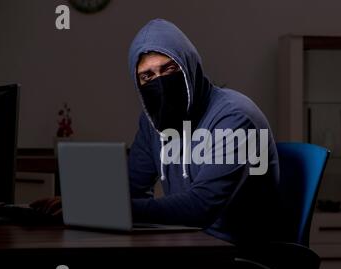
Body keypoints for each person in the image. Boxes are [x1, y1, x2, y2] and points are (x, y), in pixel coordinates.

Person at [32, 19, 280, 245]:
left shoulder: (235, 117)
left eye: (169, 69)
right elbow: (131, 188)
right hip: (194, 245)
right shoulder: (154, 122)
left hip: (242, 259)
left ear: (189, 66)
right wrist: (83, 204)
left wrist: (101, 209)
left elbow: (201, 207)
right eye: (147, 76)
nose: (159, 82)